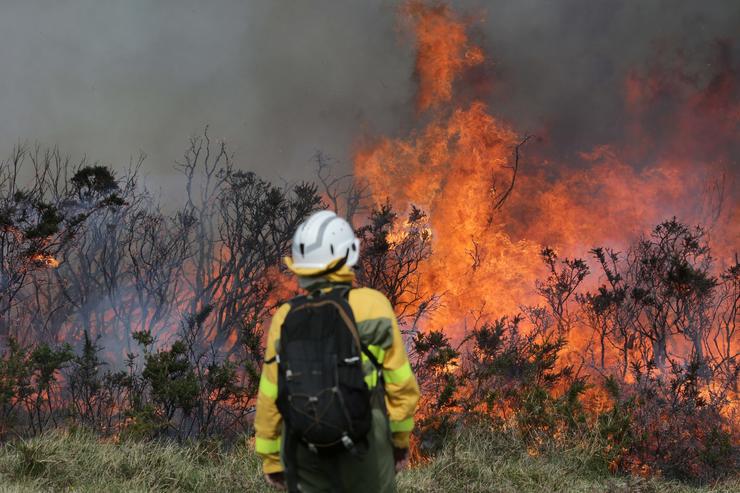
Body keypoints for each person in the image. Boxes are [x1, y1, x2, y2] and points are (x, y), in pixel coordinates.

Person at [254, 210, 420, 492]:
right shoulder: (373, 306)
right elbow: (401, 386)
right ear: (349, 255)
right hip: (365, 442)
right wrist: (399, 442)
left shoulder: (285, 317)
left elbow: (271, 394)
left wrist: (271, 459)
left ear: (300, 267)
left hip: (305, 446)